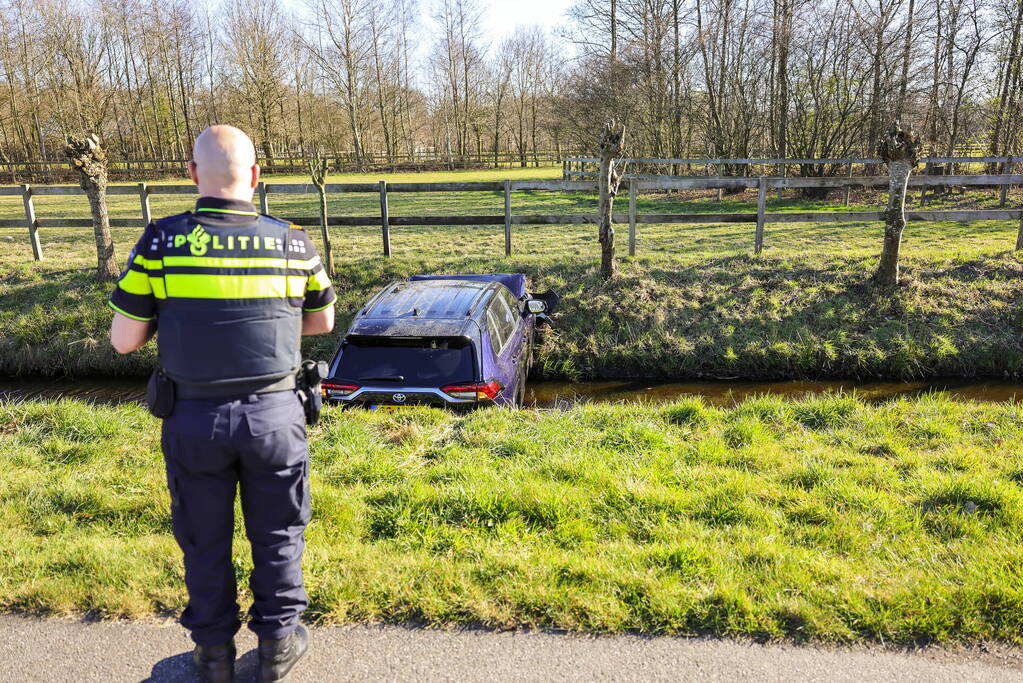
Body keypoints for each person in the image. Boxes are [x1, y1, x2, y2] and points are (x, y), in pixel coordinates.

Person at [108, 125, 335, 683]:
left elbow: (123, 340)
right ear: (255, 177)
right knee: (279, 531)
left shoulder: (161, 242)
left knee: (203, 536)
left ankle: (213, 656)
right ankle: (279, 644)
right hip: (275, 416)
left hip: (195, 419)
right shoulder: (294, 242)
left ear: (193, 176)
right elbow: (323, 321)